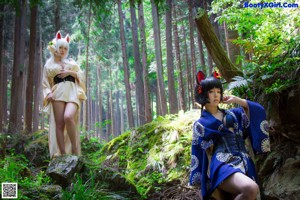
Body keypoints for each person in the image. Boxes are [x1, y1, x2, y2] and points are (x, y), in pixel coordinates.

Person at [190, 71, 270, 200]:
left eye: (218, 91)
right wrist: (200, 180)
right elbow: (198, 153)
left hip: (244, 161)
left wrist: (238, 100)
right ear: (203, 94)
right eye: (211, 92)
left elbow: (258, 110)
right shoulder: (200, 124)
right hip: (222, 164)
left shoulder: (234, 114)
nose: (216, 95)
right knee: (250, 188)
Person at [42, 31, 87, 158]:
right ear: (56, 47)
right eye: (60, 47)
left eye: (65, 48)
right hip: (57, 93)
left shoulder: (72, 63)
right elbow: (45, 82)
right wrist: (48, 93)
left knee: (69, 117)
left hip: (72, 91)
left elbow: (81, 76)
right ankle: (62, 154)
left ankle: (75, 149)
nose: (62, 50)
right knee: (60, 124)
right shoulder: (49, 64)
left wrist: (70, 73)